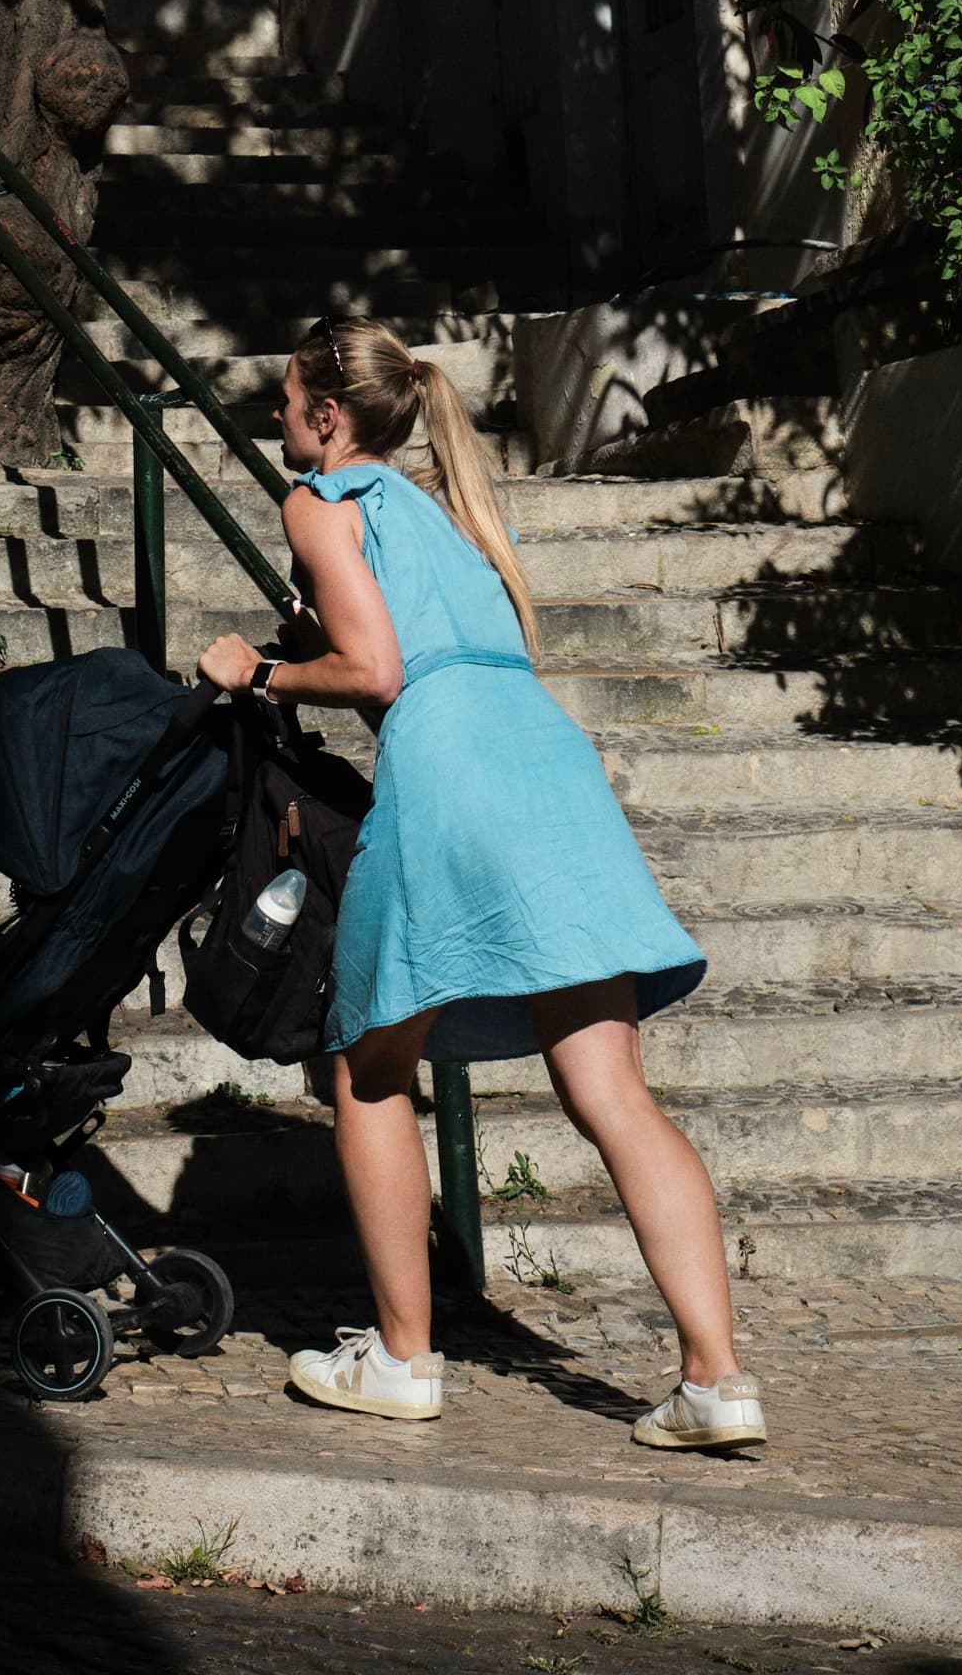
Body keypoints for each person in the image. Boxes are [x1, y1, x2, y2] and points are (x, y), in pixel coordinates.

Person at [196, 316, 764, 1450]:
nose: (273, 416)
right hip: (545, 764)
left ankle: (403, 1360)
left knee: (368, 1070)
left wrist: (259, 668)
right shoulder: (441, 513)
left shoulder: (319, 501)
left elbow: (378, 671)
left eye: (285, 396)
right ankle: (717, 1380)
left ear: (324, 415)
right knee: (611, 1091)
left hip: (451, 771)